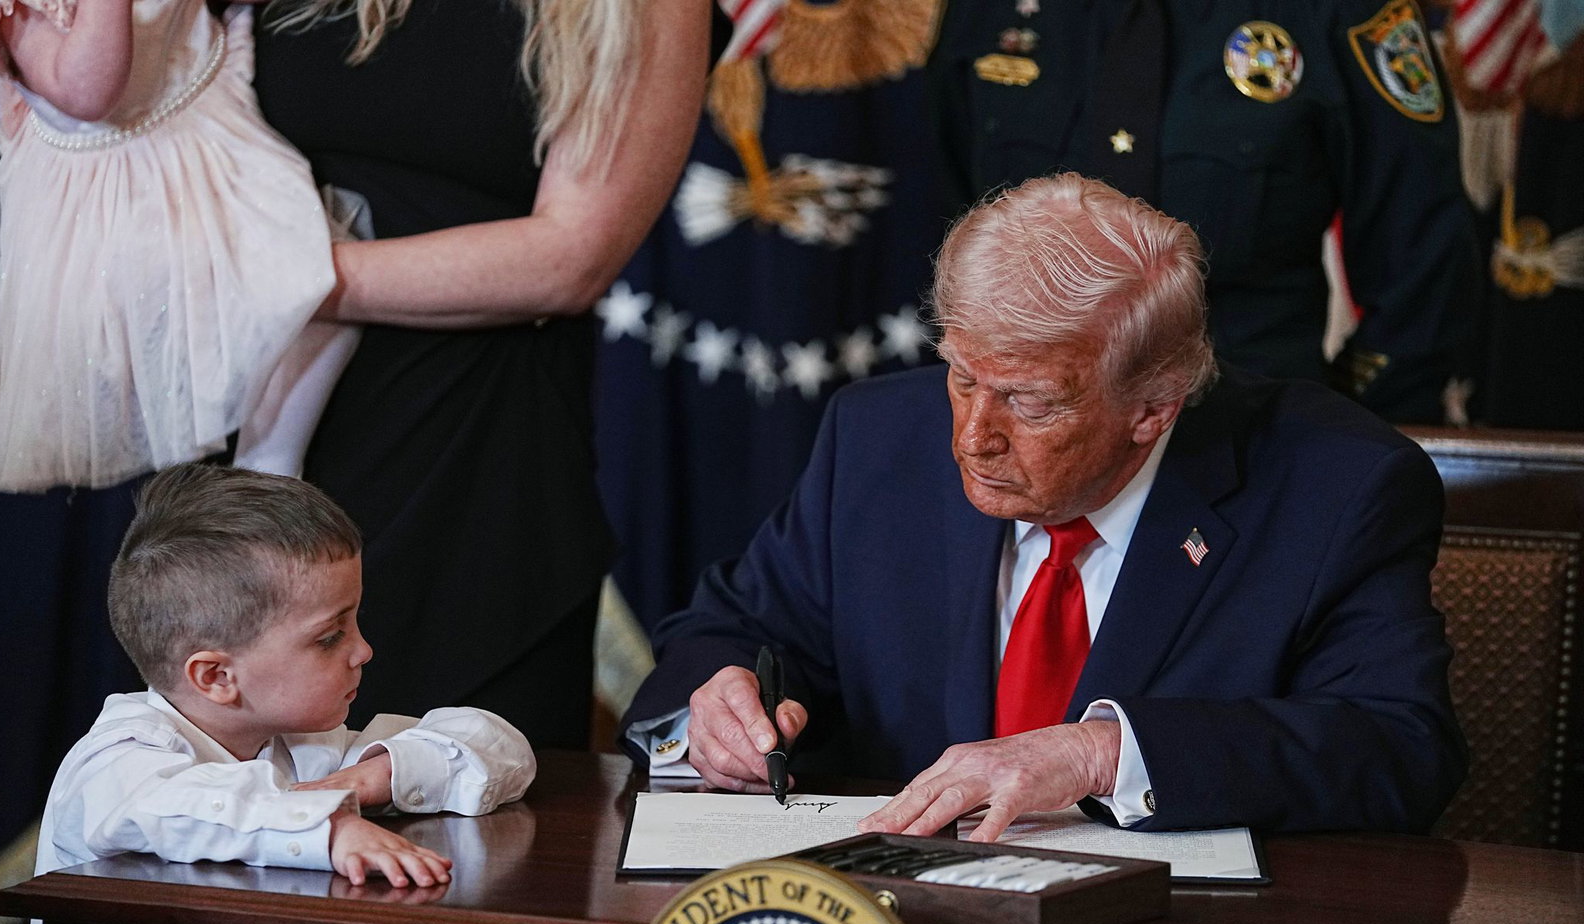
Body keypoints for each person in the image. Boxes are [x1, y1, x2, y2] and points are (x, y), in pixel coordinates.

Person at [620, 173, 1466, 841]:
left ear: (1154, 407)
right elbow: (730, 629)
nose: (972, 436)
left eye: (1030, 402)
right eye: (961, 376)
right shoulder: (878, 440)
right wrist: (714, 706)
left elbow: (1399, 749)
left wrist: (1103, 753)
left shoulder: (1337, 489)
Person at [248, 0, 709, 743]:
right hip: (243, 436)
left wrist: (271, 283)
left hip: (476, 464)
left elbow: (571, 260)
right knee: (205, 819)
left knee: (453, 821)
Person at [0, 463, 538, 924]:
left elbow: (497, 744)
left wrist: (382, 769)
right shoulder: (118, 757)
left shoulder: (309, 743)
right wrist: (327, 825)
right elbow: (181, 805)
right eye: (329, 637)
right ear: (218, 676)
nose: (364, 650)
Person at [926, 0, 1479, 423]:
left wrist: (1338, 431)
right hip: (1024, 432)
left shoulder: (1342, 11)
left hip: (1251, 435)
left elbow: (1425, 262)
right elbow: (941, 232)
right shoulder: (988, 10)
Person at [0, 0, 349, 491]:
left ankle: (268, 467)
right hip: (117, 186)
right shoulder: (22, 9)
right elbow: (89, 93)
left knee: (314, 269)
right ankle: (256, 485)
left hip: (200, 120)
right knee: (257, 287)